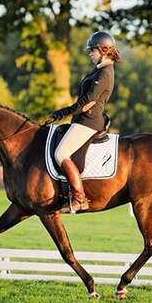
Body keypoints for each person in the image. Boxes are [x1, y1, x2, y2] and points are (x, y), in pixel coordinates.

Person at [49, 31, 121, 214]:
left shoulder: (105, 72)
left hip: (89, 121)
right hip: (82, 119)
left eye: (93, 50)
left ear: (104, 50)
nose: (90, 53)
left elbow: (89, 100)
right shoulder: (99, 69)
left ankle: (79, 197)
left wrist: (64, 112)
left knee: (61, 153)